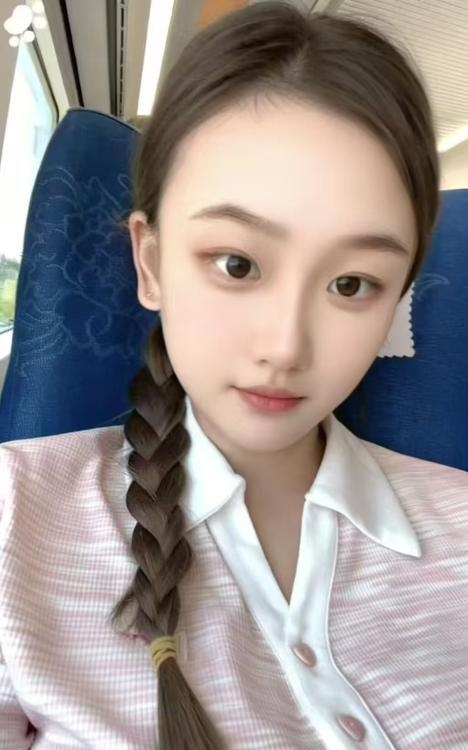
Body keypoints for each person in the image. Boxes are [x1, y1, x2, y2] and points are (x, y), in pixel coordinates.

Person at [1, 2, 467, 749]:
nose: (285, 347)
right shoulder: (16, 518)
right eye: (237, 264)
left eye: (352, 284)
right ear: (151, 263)